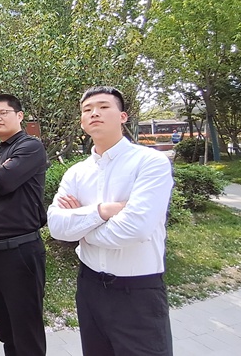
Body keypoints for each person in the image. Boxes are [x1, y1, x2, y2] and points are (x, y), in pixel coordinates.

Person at [47, 86, 173, 356]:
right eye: (87, 110)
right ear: (82, 121)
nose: (95, 113)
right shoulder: (76, 173)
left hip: (138, 292)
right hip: (89, 288)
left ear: (123, 116)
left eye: (104, 107)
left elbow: (135, 228)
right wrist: (103, 211)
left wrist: (82, 229)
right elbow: (57, 226)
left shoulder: (150, 162)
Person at [0, 93, 48, 356]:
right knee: (6, 332)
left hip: (21, 251)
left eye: (3, 113)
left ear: (19, 116)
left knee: (26, 333)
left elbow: (3, 181)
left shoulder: (31, 147)